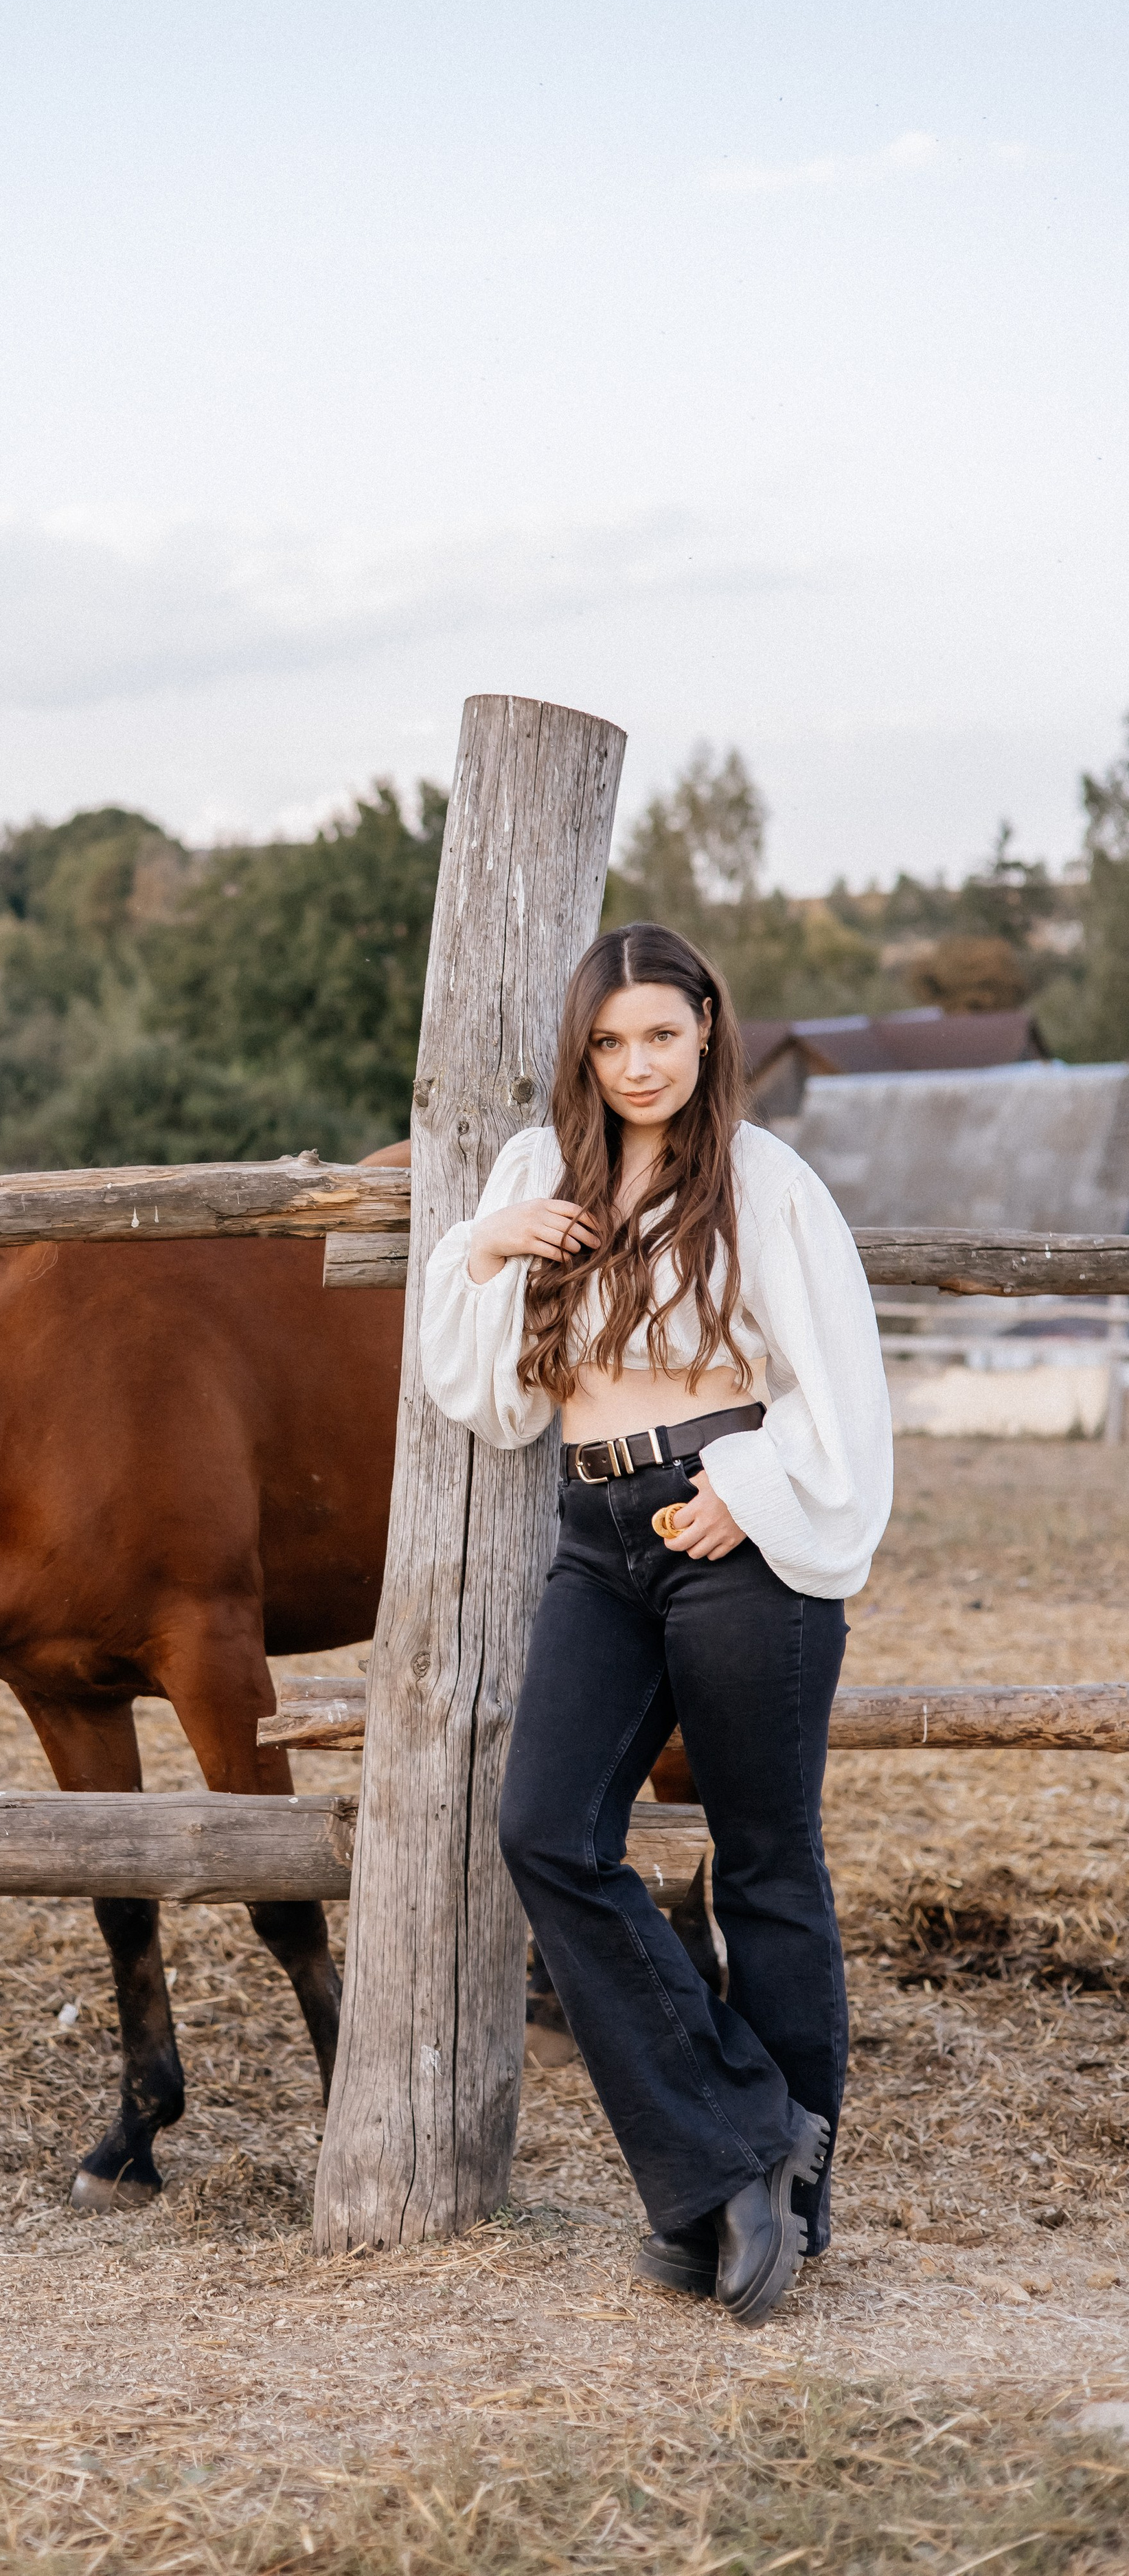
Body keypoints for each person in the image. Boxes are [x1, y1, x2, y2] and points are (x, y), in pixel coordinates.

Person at [420, 921, 892, 2327]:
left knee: (761, 1860)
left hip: (731, 1521)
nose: (636, 1066)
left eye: (661, 1037)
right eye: (609, 1041)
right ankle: (738, 2141)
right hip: (593, 1536)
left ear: (706, 1031)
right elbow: (488, 1398)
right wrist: (480, 1245)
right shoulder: (535, 1177)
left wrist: (750, 1492)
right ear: (583, 1048)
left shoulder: (763, 1183)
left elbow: (840, 1387)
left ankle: (775, 2205)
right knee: (544, 1831)